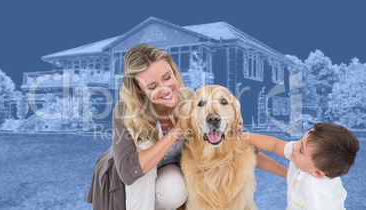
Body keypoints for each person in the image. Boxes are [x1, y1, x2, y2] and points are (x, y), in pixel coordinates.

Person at [88, 43, 288, 210]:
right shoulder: (125, 111)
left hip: (164, 177)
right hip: (129, 182)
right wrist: (176, 131)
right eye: (153, 86)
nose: (166, 89)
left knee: (175, 191)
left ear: (174, 72)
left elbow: (243, 148)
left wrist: (290, 174)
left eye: (167, 77)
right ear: (140, 89)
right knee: (144, 147)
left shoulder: (192, 103)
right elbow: (129, 170)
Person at [245, 122, 359, 209]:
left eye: (301, 150)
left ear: (318, 173)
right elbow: (274, 145)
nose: (294, 146)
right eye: (301, 140)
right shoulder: (302, 158)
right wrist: (242, 136)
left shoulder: (316, 193)